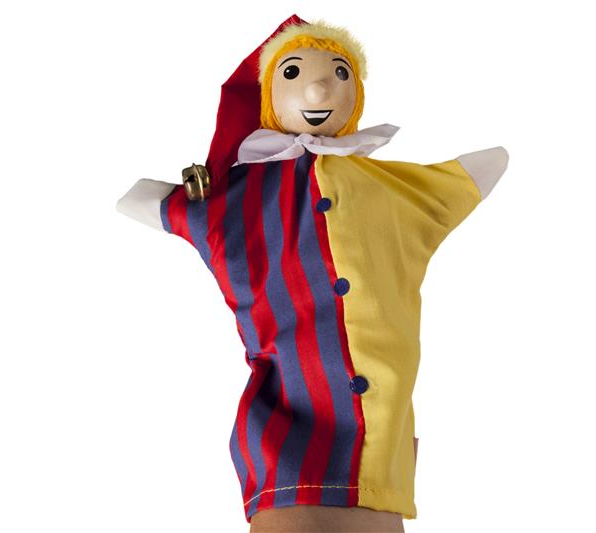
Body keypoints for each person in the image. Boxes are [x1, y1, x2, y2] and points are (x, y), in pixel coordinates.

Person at [117, 15, 508, 532]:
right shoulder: (239, 197)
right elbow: (148, 202)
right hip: (288, 425)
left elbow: (461, 181)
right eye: (294, 72)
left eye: (340, 73)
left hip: (381, 437)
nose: (320, 88)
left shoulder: (391, 189)